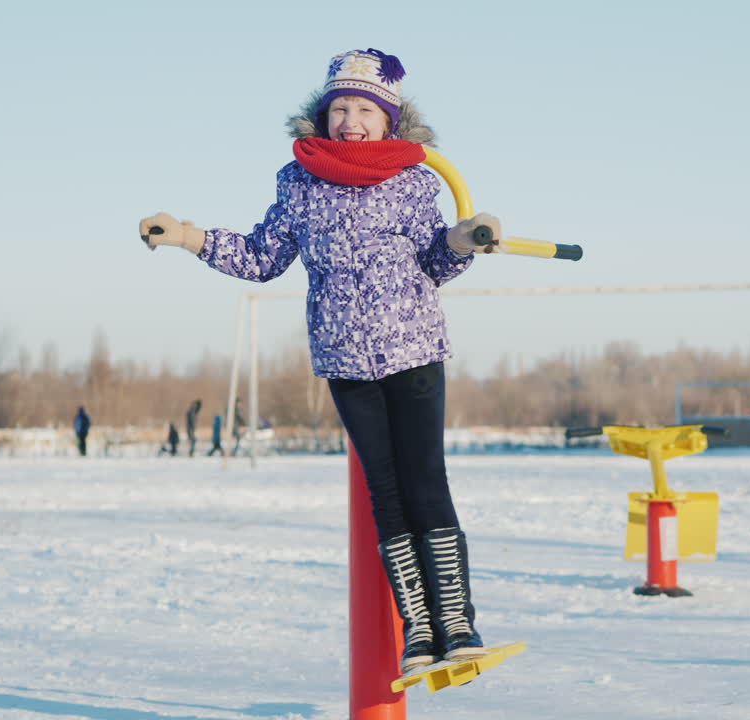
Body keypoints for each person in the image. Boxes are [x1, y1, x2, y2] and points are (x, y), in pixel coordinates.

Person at [139, 48, 497, 674]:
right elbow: (262, 258)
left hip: (412, 352)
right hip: (345, 361)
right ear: (323, 116)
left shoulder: (413, 180)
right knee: (385, 495)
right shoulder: (300, 182)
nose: (350, 121)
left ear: (388, 119)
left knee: (424, 485)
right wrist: (189, 236)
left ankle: (458, 622)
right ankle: (418, 630)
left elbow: (435, 262)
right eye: (339, 108)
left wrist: (464, 239)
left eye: (364, 109)